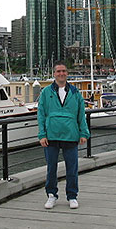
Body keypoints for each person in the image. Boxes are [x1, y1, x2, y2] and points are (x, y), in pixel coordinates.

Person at [37, 61, 90, 209]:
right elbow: (41, 114)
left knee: (72, 168)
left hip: (71, 136)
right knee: (51, 169)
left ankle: (72, 196)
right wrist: (42, 135)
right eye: (59, 71)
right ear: (54, 74)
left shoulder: (75, 92)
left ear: (67, 73)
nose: (61, 74)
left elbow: (81, 114)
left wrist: (83, 133)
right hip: (51, 136)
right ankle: (51, 195)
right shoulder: (46, 92)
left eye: (64, 71)